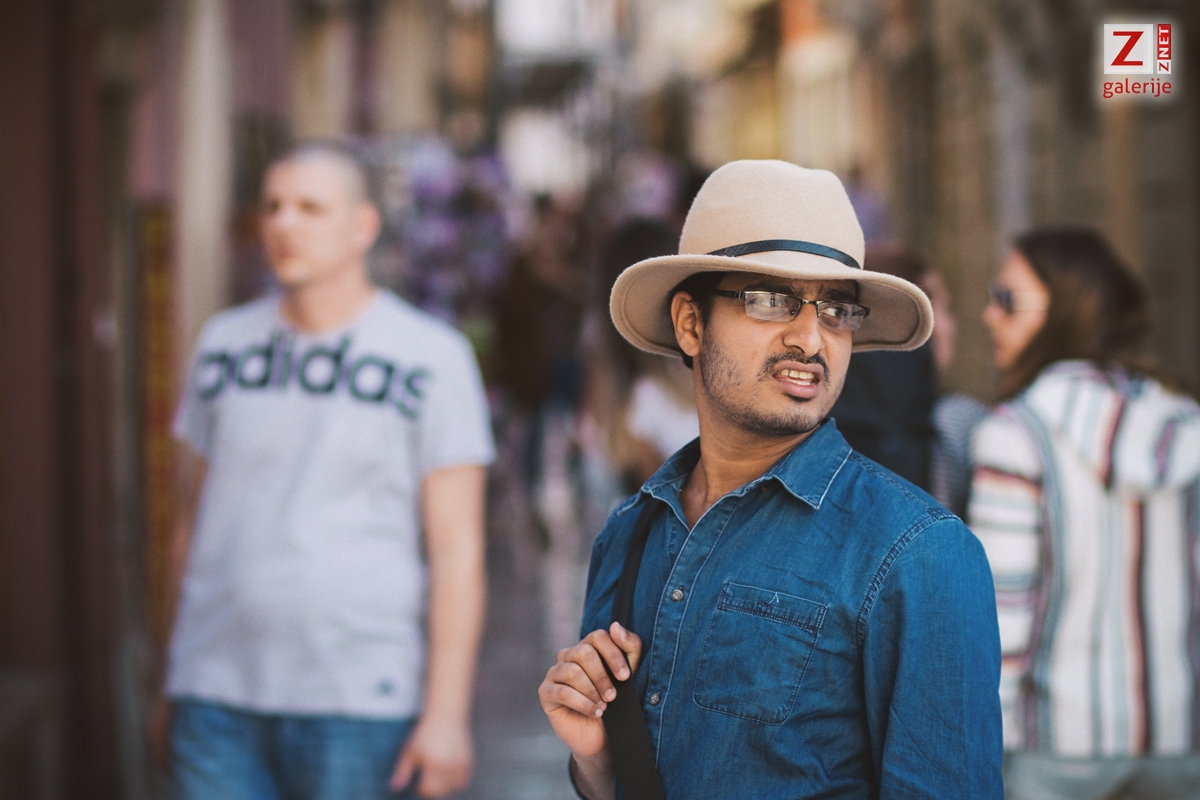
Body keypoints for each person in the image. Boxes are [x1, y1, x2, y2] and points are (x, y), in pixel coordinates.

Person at [538, 160, 1004, 799]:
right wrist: (595, 761)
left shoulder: (917, 554)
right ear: (691, 324)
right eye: (770, 300)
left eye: (837, 310)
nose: (810, 339)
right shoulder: (629, 533)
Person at [156, 142, 494, 799]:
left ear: (363, 226)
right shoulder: (221, 343)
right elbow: (192, 521)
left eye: (310, 208)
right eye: (273, 206)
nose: (284, 224)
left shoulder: (432, 356)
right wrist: (169, 678)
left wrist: (448, 714)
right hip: (214, 693)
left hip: (360, 699)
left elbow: (458, 552)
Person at [969, 227, 1200, 800]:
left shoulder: (1014, 434)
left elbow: (1001, 612)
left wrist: (982, 743)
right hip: (1177, 739)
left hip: (1054, 750)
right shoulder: (1184, 425)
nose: (988, 315)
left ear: (1067, 308)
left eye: (1006, 299)